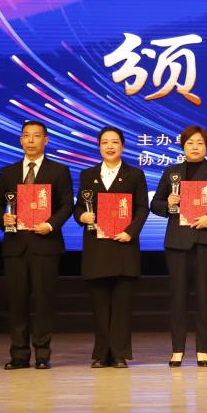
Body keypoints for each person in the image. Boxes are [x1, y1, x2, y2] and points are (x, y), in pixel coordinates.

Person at [0, 120, 73, 370]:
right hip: (15, 245)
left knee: (44, 301)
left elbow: (67, 204)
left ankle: (43, 354)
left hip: (46, 244)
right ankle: (19, 354)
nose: (31, 140)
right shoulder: (8, 172)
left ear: (46, 140)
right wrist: (3, 218)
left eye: (36, 136)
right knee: (17, 302)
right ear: (20, 140)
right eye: (26, 135)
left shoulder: (59, 170)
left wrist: (51, 224)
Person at [149, 125, 207, 367]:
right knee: (178, 297)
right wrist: (168, 204)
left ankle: (202, 350)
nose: (195, 147)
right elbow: (155, 204)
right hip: (177, 242)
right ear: (183, 146)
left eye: (199, 143)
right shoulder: (172, 172)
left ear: (206, 147)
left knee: (204, 297)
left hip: (206, 240)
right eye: (190, 143)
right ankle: (177, 349)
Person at [75, 127, 148, 368]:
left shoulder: (134, 174)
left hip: (124, 245)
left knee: (122, 306)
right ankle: (101, 353)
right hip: (97, 247)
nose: (109, 146)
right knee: (99, 306)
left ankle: (119, 353)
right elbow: (79, 207)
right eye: (105, 142)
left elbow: (142, 207)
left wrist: (130, 231)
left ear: (122, 146)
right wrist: (82, 217)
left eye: (115, 142)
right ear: (99, 146)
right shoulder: (88, 175)